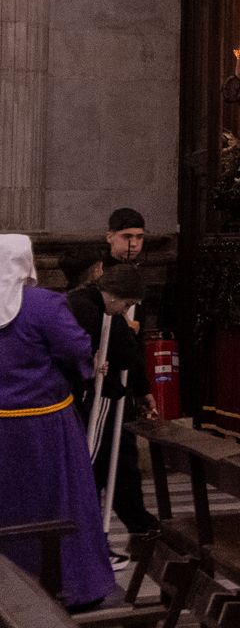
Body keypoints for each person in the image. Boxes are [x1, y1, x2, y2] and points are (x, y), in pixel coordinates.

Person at [0, 235, 116, 609]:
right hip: (45, 426)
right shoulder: (43, 305)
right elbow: (76, 348)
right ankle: (72, 586)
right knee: (60, 503)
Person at [67, 264, 158, 546]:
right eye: (127, 304)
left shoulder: (78, 300)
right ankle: (89, 532)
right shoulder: (95, 312)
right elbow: (126, 354)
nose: (123, 310)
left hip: (81, 395)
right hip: (94, 397)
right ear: (117, 295)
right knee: (93, 462)